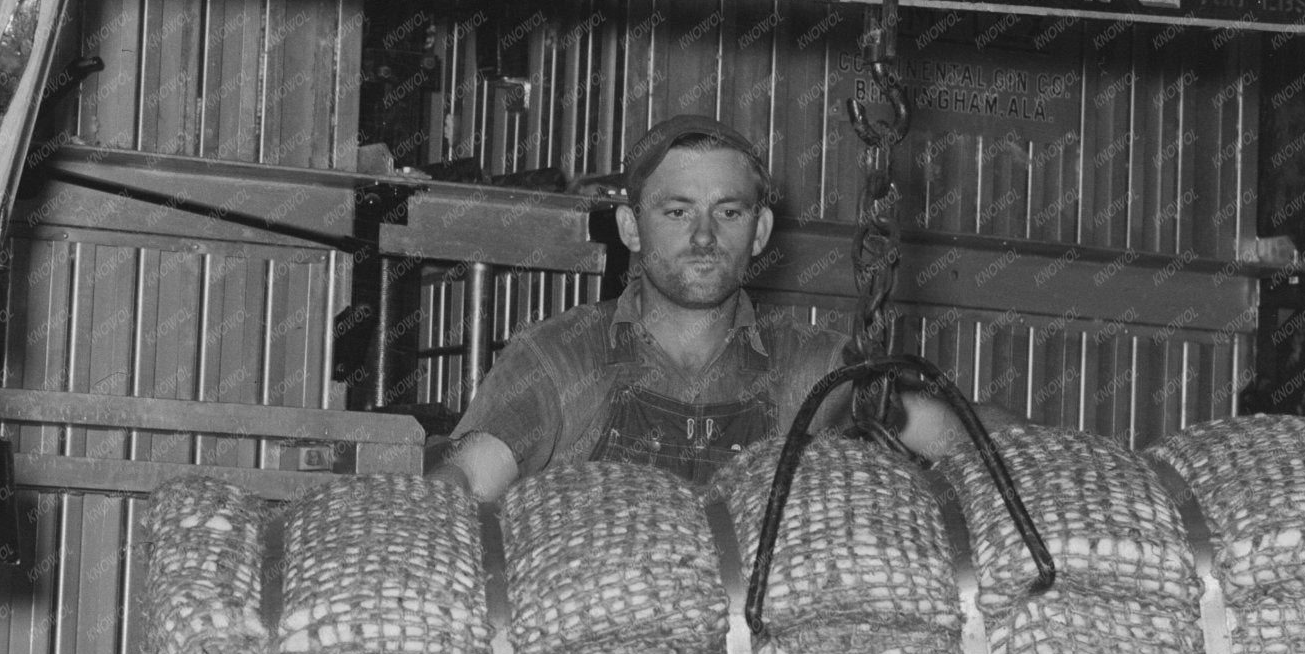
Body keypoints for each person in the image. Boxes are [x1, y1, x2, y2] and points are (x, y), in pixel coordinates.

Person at [428, 113, 1000, 501]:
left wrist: (1052, 457)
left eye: (729, 212)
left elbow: (966, 443)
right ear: (631, 226)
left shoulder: (813, 369)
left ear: (760, 231)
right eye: (677, 212)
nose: (704, 236)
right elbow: (462, 484)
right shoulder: (560, 360)